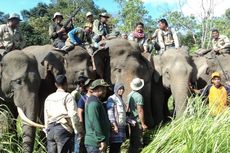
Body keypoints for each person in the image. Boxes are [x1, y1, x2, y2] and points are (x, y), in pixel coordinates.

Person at [44, 74, 82, 153]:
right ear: (66, 84)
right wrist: (78, 130)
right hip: (63, 129)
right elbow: (73, 115)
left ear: (55, 84)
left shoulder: (49, 97)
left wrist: (47, 130)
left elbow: (46, 116)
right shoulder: (68, 97)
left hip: (50, 129)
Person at [84, 79, 110, 153]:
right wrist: (101, 140)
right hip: (95, 143)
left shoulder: (96, 101)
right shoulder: (93, 103)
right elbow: (95, 123)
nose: (105, 90)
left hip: (96, 143)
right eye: (104, 88)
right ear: (98, 89)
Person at [127, 78, 148, 153]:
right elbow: (140, 110)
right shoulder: (139, 97)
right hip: (137, 120)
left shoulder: (129, 95)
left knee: (132, 138)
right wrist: (143, 124)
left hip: (131, 120)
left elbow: (127, 108)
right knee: (138, 140)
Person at [74, 79, 93, 153]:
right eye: (90, 85)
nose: (92, 87)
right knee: (81, 147)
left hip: (92, 128)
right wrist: (81, 128)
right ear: (87, 88)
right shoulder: (82, 99)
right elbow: (79, 113)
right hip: (85, 128)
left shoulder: (95, 98)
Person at [106, 82, 127, 153]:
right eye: (120, 89)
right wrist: (114, 125)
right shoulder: (112, 98)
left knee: (118, 146)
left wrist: (131, 121)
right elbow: (110, 113)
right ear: (116, 89)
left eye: (122, 89)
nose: (122, 90)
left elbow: (123, 114)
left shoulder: (120, 99)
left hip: (121, 127)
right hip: (116, 127)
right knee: (114, 146)